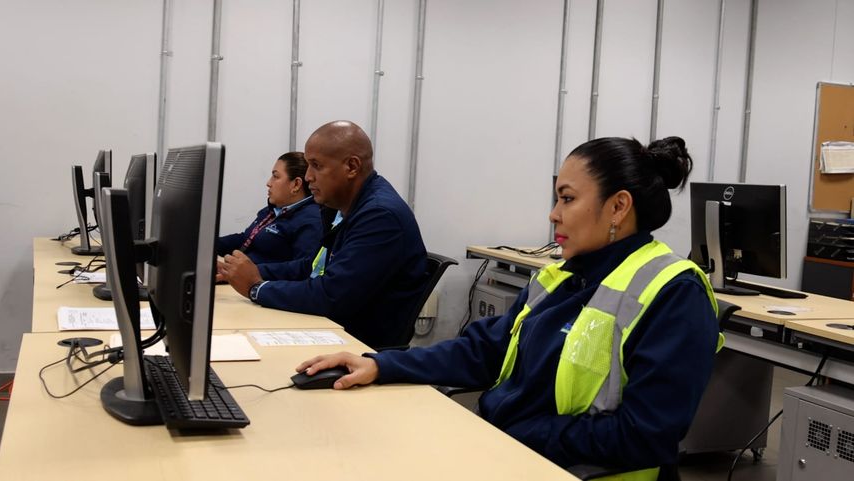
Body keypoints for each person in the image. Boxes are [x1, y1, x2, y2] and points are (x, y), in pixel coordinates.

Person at [295, 136, 725, 479]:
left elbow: (644, 435)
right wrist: (380, 364)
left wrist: (511, 436)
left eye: (568, 199)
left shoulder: (674, 292)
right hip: (512, 453)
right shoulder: (560, 276)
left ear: (618, 206)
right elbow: (485, 350)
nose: (553, 215)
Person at [219, 121, 429, 349]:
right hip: (330, 329)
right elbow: (315, 265)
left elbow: (331, 295)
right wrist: (249, 272)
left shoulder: (379, 216)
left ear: (351, 167)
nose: (308, 177)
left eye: (316, 166)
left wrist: (256, 288)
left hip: (356, 346)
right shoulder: (343, 207)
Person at [216, 152, 321, 264]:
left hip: (260, 279)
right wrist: (207, 245)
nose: (268, 183)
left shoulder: (311, 219)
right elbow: (247, 238)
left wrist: (252, 271)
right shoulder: (273, 209)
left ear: (296, 185)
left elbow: (300, 269)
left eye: (275, 176)